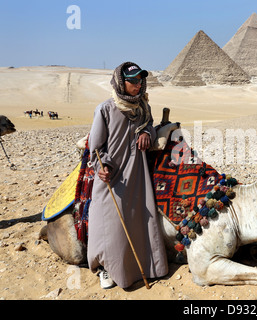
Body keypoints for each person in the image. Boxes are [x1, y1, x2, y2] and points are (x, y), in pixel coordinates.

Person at [87, 62, 168, 289]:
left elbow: (150, 125)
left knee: (139, 218)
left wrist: (147, 132)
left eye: (140, 80)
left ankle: (145, 266)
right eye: (132, 80)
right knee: (109, 222)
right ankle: (105, 268)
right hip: (113, 175)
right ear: (121, 82)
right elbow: (96, 148)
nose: (137, 84)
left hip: (138, 173)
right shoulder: (105, 109)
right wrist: (102, 167)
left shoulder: (143, 107)